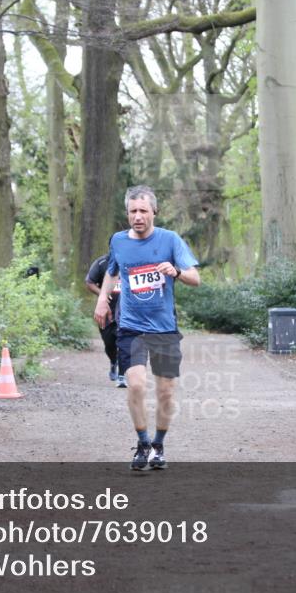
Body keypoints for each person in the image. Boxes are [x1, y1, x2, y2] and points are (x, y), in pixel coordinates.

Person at [93, 185, 200, 470]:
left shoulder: (170, 240)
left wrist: (175, 271)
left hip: (164, 328)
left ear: (154, 212)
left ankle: (159, 445)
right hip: (131, 327)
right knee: (136, 385)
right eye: (132, 211)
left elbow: (195, 277)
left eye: (143, 211)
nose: (137, 216)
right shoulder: (118, 241)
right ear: (127, 213)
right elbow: (113, 271)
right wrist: (103, 299)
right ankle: (142, 444)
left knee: (166, 392)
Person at [85, 252, 125, 387]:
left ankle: (122, 373)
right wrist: (102, 295)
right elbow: (89, 282)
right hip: (107, 312)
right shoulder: (101, 263)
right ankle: (113, 361)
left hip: (126, 311)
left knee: (124, 341)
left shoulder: (132, 260)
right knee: (109, 343)